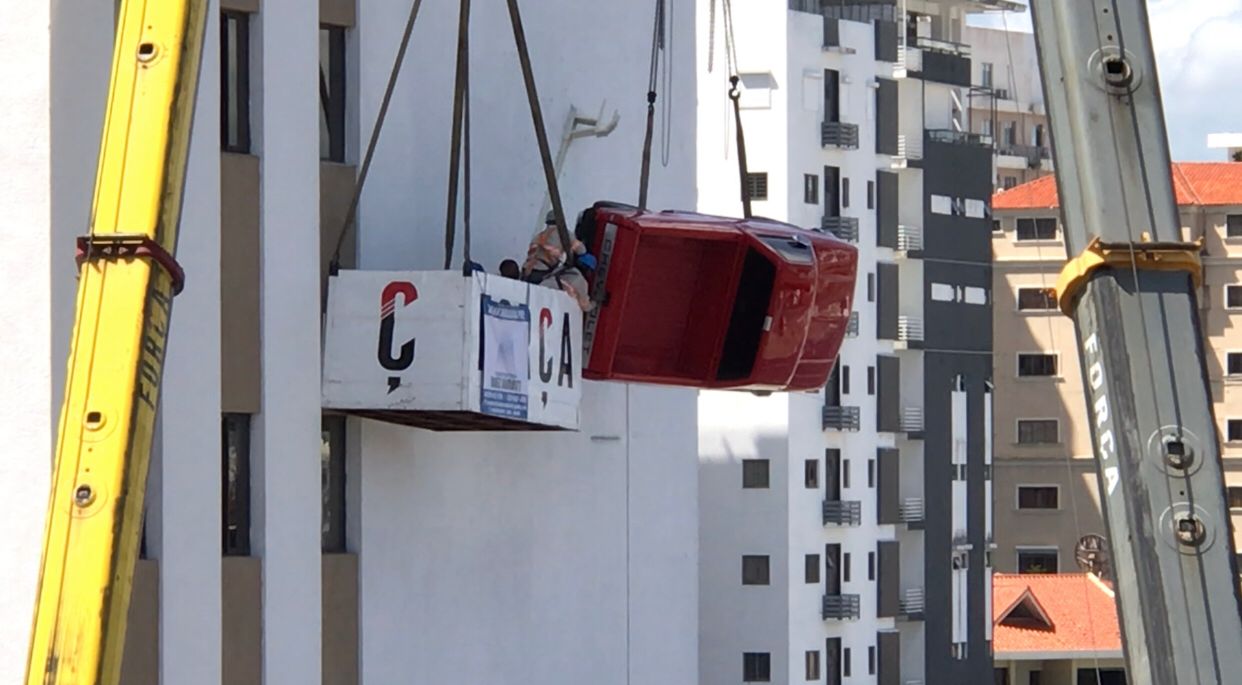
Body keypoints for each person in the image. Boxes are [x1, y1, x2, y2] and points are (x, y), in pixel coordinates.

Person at [521, 211, 597, 311]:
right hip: (542, 271)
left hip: (527, 270)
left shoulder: (539, 236)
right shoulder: (563, 233)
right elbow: (580, 249)